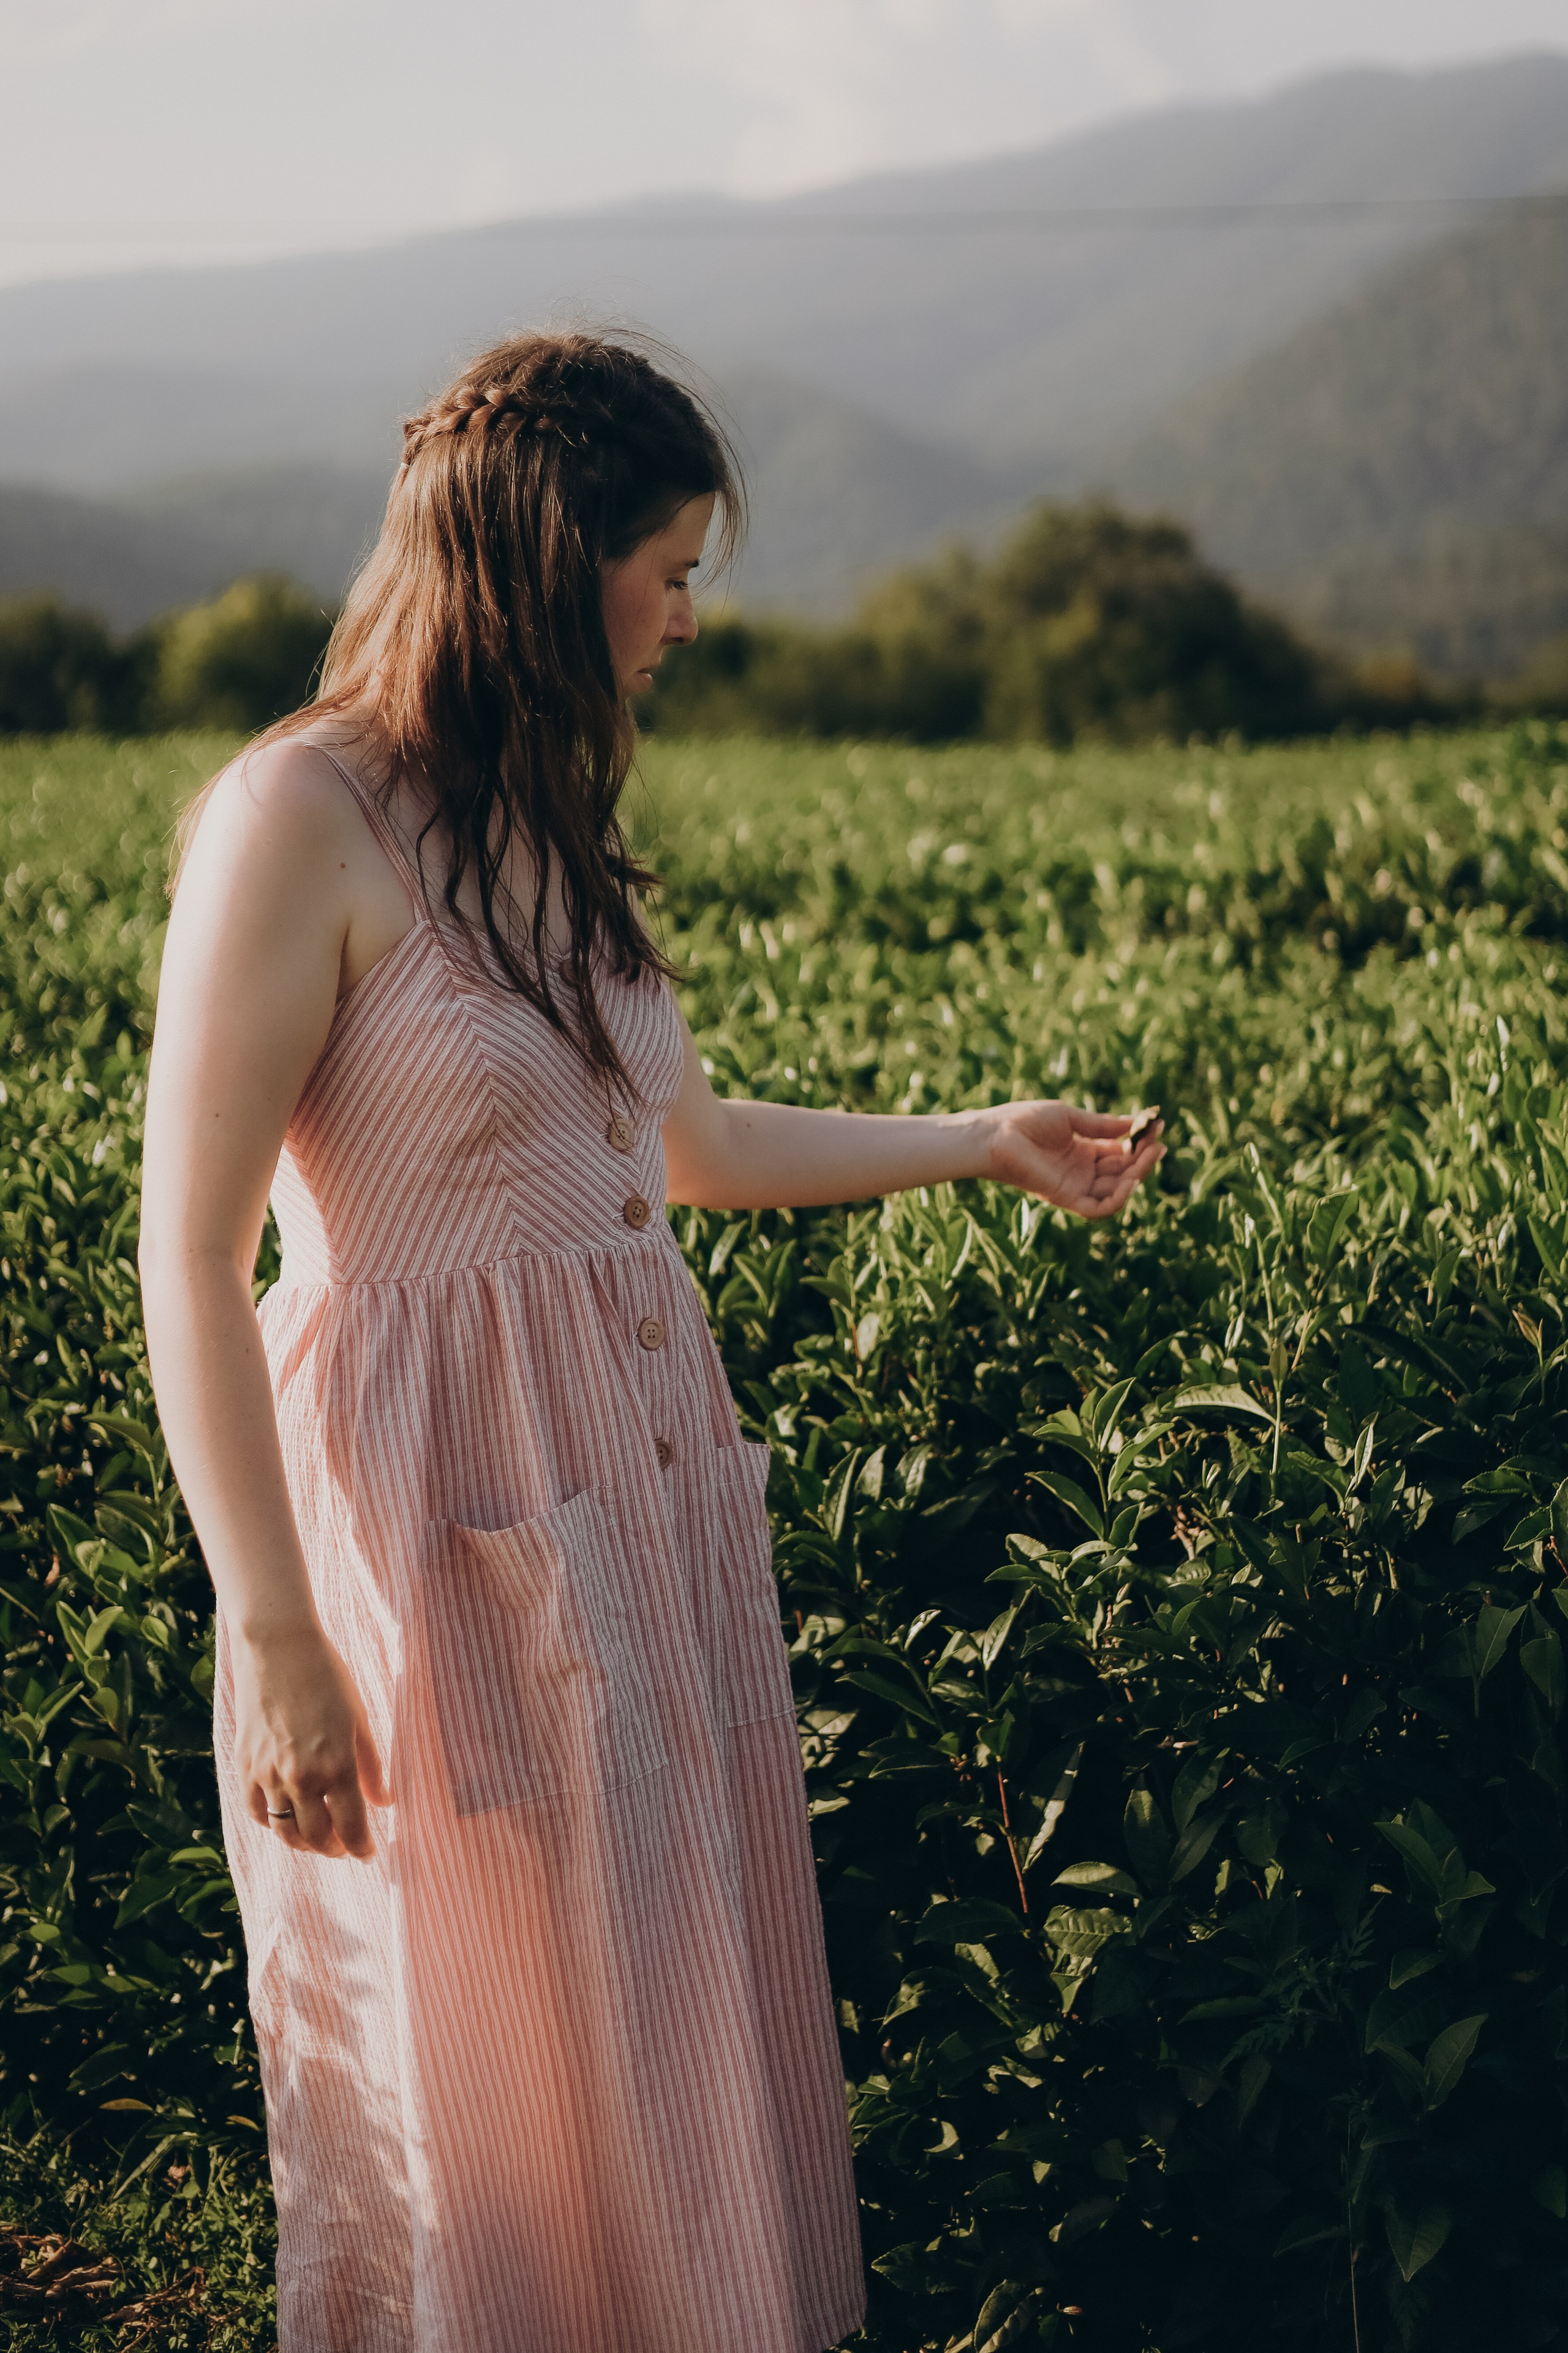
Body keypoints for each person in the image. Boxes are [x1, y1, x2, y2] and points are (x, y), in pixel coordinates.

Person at [138, 329, 1164, 2353]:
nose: (691, 615)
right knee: (483, 2047)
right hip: (433, 1520)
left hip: (633, 1497)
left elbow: (683, 1147)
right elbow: (187, 1253)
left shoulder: (540, 807)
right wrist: (273, 1626)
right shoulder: (296, 815)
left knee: (660, 2022)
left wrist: (977, 1138)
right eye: (669, 569)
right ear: (549, 557)